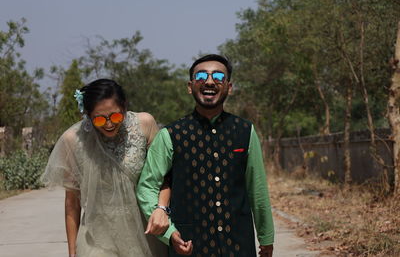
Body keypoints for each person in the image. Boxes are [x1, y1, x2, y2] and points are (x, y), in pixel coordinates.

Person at [137, 54, 275, 257]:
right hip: (187, 246)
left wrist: (266, 238)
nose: (209, 81)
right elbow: (147, 186)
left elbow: (258, 189)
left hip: (238, 245)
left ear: (229, 87)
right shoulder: (170, 135)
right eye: (201, 76)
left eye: (218, 76)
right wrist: (169, 232)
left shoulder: (246, 131)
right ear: (190, 86)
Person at [41, 79, 169, 257]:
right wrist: (72, 251)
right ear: (88, 115)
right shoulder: (73, 140)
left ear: (124, 107)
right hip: (96, 236)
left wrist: (162, 209)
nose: (109, 124)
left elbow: (163, 176)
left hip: (143, 232)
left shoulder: (144, 124)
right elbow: (72, 202)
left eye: (115, 116)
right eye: (99, 119)